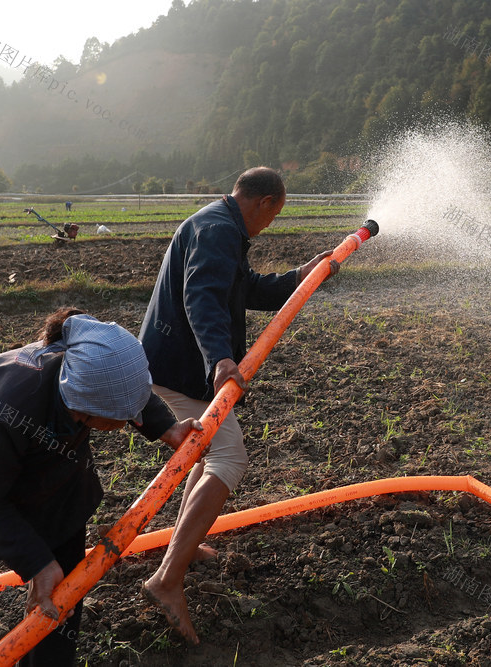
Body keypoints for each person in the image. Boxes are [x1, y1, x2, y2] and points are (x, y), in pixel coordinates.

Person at [0, 307, 202, 667]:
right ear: (86, 408)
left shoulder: (89, 378)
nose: (129, 422)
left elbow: (126, 388)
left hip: (54, 466)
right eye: (124, 418)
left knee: (63, 595)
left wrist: (166, 428)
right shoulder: (10, 404)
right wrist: (38, 564)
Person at [138, 167, 338, 644]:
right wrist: (220, 358)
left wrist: (300, 277)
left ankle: (184, 546)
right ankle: (167, 578)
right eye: (275, 214)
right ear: (265, 202)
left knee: (206, 455)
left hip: (174, 365)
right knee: (229, 459)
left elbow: (245, 289)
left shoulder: (218, 224)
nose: (271, 224)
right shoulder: (219, 231)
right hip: (179, 369)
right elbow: (201, 298)